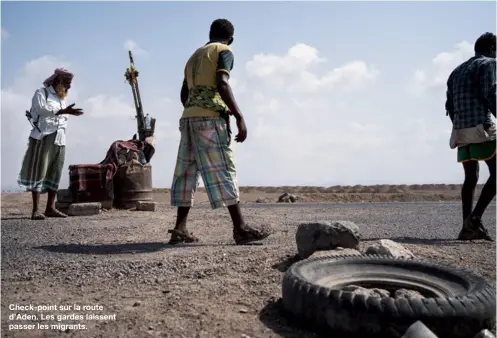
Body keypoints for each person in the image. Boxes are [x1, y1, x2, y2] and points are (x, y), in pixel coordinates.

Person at [169, 18, 270, 245]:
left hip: (188, 119)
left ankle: (180, 229)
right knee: (223, 168)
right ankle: (240, 228)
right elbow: (222, 82)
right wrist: (239, 116)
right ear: (231, 39)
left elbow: (184, 94)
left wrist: (194, 109)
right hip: (211, 119)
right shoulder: (224, 51)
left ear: (210, 34)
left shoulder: (193, 57)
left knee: (187, 171)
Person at [445, 32, 496, 241]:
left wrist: (459, 128)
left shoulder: (456, 72)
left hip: (459, 130)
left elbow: (450, 106)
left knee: (471, 177)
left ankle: (467, 227)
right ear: (492, 48)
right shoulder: (489, 63)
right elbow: (490, 94)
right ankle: (474, 219)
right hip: (480, 127)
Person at [18, 68, 84, 220]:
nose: (69, 86)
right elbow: (41, 109)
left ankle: (50, 208)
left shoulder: (62, 98)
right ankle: (35, 210)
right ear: (58, 80)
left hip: (60, 139)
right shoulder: (42, 93)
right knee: (39, 171)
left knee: (55, 172)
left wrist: (66, 111)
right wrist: (62, 111)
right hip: (43, 137)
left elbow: (61, 116)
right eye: (67, 82)